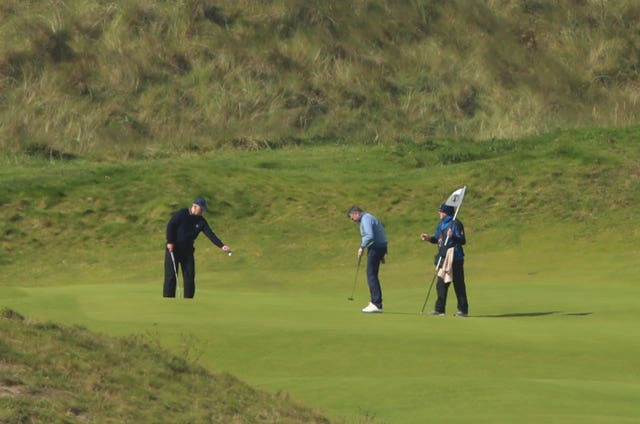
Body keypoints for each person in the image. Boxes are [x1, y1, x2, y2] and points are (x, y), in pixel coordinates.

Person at [164, 197, 232, 298]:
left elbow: (210, 234)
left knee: (189, 276)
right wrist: (170, 241)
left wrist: (222, 245)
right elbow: (171, 225)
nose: (203, 211)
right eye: (202, 208)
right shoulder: (183, 213)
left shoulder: (201, 221)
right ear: (195, 206)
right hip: (173, 248)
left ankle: (189, 300)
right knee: (171, 276)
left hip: (187, 251)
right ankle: (168, 299)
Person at [420, 203, 469, 317]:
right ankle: (439, 309)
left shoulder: (455, 223)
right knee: (441, 283)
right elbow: (438, 239)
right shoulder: (441, 224)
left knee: (458, 284)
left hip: (455, 257)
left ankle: (463, 310)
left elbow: (462, 240)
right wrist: (429, 238)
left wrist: (453, 236)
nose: (439, 213)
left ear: (446, 212)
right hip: (443, 257)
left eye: (441, 211)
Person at [347, 206, 388, 313]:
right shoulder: (369, 217)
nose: (353, 220)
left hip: (375, 248)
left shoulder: (366, 219)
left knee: (371, 275)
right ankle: (374, 301)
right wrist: (382, 254)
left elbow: (369, 235)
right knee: (372, 274)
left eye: (352, 218)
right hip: (379, 247)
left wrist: (362, 247)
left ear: (356, 213)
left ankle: (376, 303)